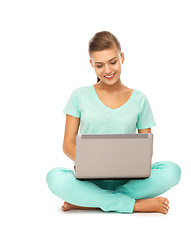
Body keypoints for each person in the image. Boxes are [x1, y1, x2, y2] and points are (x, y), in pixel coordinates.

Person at [46, 31, 181, 214]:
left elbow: (146, 148)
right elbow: (68, 144)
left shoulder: (139, 99)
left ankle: (90, 201)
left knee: (172, 171)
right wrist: (94, 163)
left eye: (112, 62)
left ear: (122, 57)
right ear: (91, 64)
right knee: (54, 177)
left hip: (129, 181)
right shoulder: (79, 96)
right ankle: (133, 205)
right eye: (99, 65)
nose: (108, 71)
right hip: (89, 179)